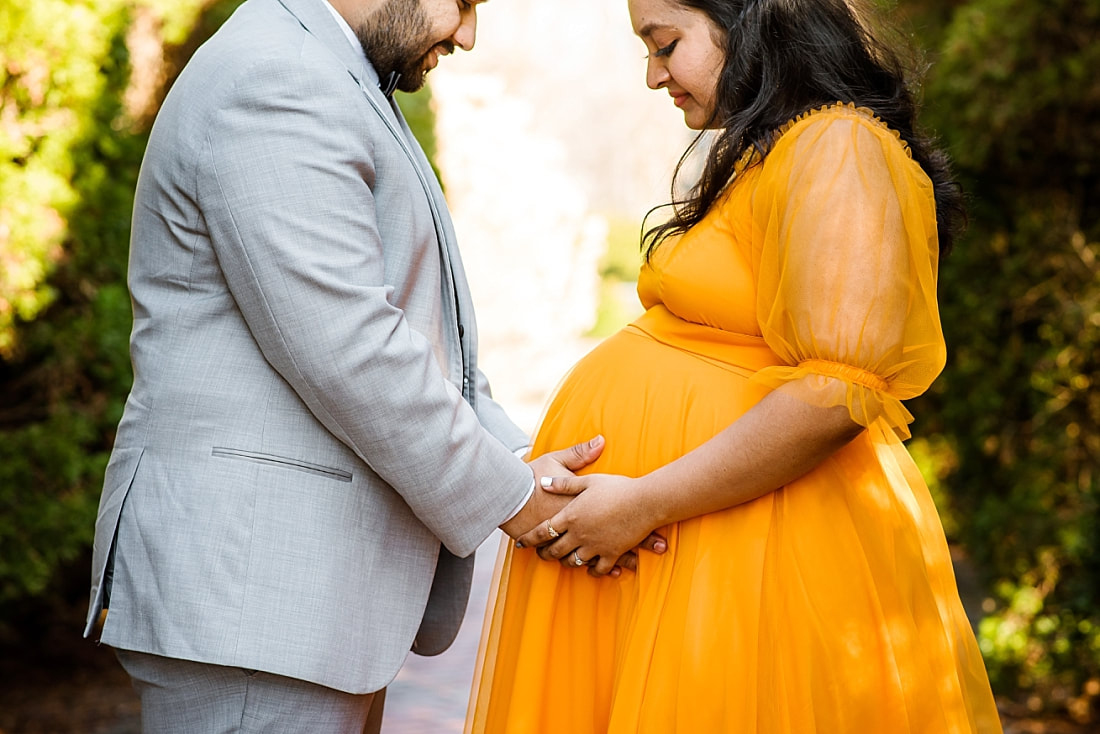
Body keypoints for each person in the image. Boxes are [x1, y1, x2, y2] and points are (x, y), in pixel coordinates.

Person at [81, 0, 634, 731]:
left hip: (289, 612)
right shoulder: (275, 76)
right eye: (464, 3)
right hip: (253, 606)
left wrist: (527, 461)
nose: (466, 34)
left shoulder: (332, 72)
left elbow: (417, 337)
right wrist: (518, 498)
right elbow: (346, 345)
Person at [466, 0, 1004, 731]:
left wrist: (643, 503)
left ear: (749, 20)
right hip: (685, 545)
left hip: (748, 554)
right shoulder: (770, 151)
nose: (654, 76)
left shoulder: (839, 144)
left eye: (665, 44)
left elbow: (834, 395)